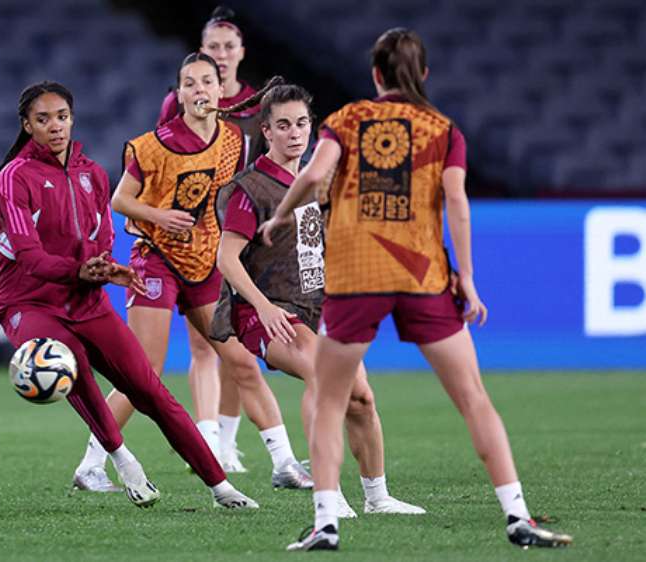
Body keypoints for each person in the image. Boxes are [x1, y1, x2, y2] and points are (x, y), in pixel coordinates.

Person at [261, 30, 573, 551]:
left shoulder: (348, 119)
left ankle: (326, 523)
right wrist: (467, 276)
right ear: (423, 75)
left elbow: (315, 176)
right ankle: (518, 516)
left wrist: (279, 214)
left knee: (331, 400)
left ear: (376, 75)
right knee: (474, 399)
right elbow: (457, 201)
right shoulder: (444, 130)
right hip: (422, 276)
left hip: (356, 276)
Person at [0, 80, 257, 510]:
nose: (55, 126)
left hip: (86, 301)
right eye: (43, 119)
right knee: (71, 360)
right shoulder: (13, 178)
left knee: (151, 391)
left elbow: (102, 238)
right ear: (27, 125)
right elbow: (28, 256)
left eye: (61, 116)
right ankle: (122, 459)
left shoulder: (93, 174)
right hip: (30, 304)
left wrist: (105, 268)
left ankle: (221, 486)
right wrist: (80, 270)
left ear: (72, 119)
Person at [72, 55, 312, 492]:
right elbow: (120, 201)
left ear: (221, 90)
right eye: (190, 82)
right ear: (178, 93)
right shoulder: (152, 145)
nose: (200, 88)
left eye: (208, 81)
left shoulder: (235, 141)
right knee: (143, 371)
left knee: (241, 362)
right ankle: (91, 464)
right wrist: (157, 216)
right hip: (157, 259)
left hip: (204, 263)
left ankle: (284, 462)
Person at [212, 83, 427, 519]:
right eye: (284, 125)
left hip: (319, 309)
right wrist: (263, 308)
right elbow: (226, 259)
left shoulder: (317, 180)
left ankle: (378, 497)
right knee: (330, 384)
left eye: (303, 124)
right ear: (266, 131)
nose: (296, 133)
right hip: (270, 313)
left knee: (361, 399)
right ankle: (329, 498)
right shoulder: (250, 189)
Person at [157, 6, 264, 473]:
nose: (220, 54)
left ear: (241, 53)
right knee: (205, 344)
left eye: (227, 46)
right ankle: (209, 444)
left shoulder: (261, 107)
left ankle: (228, 439)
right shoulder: (174, 102)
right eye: (212, 47)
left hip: (241, 236)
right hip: (194, 238)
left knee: (239, 342)